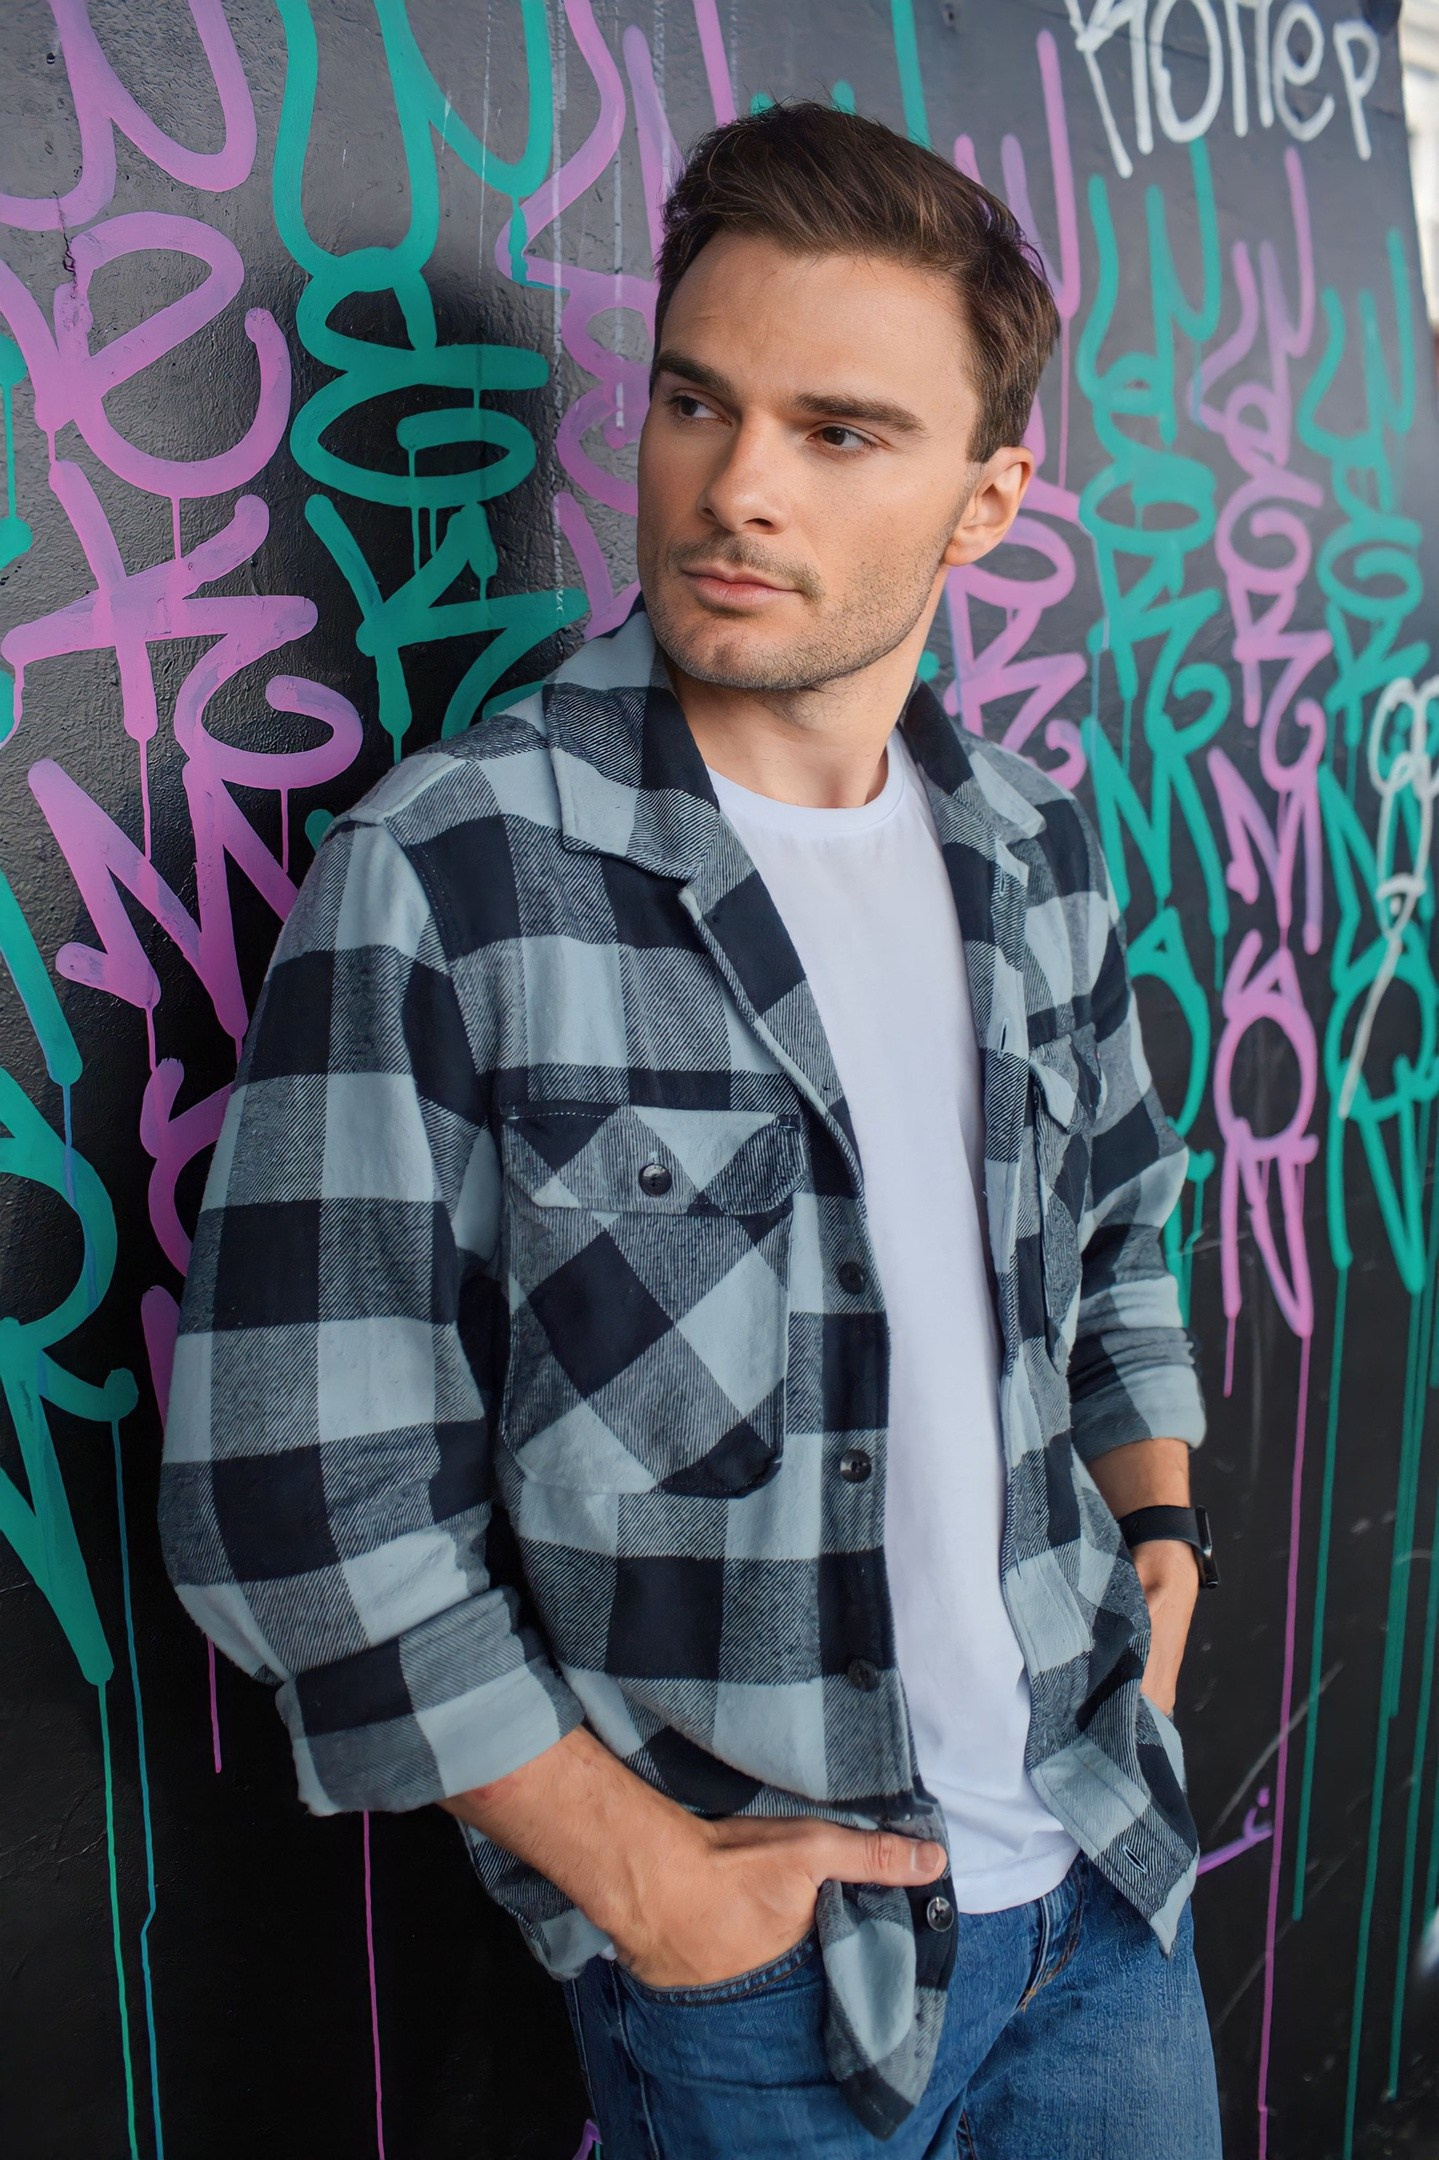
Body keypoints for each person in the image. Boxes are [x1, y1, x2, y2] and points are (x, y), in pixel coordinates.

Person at [160, 102, 1223, 2159]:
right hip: (774, 1988)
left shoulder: (1031, 852)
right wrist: (636, 1877)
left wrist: (1161, 1546)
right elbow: (295, 1473)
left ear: (987, 501)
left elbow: (1117, 1238)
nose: (736, 487)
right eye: (694, 401)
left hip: (1109, 1889)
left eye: (841, 432)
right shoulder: (454, 873)